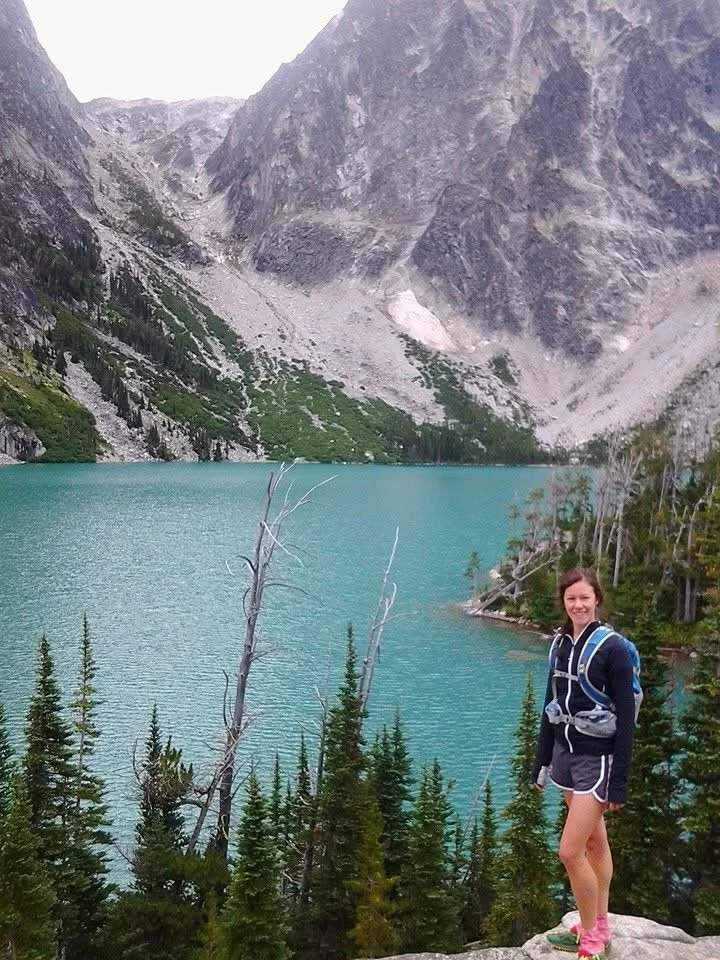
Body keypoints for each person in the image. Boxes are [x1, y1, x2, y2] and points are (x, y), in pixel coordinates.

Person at [531, 568, 635, 960]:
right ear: (564, 602)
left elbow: (625, 721)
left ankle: (591, 936)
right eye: (571, 598)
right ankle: (601, 923)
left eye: (584, 598)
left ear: (597, 600)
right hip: (565, 760)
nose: (577, 605)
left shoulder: (614, 649)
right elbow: (549, 707)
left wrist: (619, 783)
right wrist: (541, 763)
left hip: (597, 763)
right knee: (594, 841)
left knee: (570, 851)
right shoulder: (560, 644)